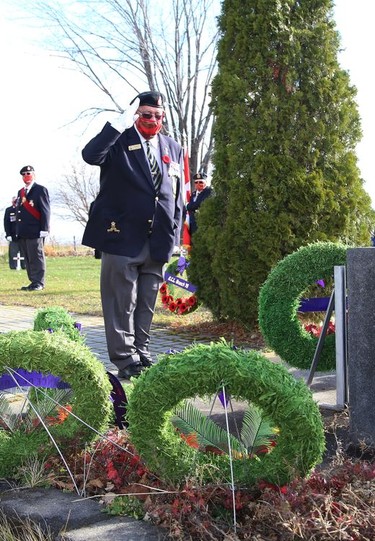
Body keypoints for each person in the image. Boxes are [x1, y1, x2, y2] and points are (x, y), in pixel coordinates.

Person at [82, 91, 184, 379]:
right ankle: (125, 359)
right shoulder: (119, 140)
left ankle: (142, 351)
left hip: (159, 237)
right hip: (122, 235)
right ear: (135, 114)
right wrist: (118, 125)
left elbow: (176, 195)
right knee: (121, 301)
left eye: (157, 115)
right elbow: (91, 155)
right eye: (145, 114)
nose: (152, 120)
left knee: (147, 301)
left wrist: (175, 234)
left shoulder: (173, 148)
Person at [16, 165, 50, 291]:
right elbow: (19, 212)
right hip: (24, 231)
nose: (26, 176)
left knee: (36, 256)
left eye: (29, 174)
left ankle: (39, 282)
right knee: (28, 258)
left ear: (34, 175)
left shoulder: (40, 190)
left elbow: (45, 210)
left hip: (35, 230)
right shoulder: (21, 192)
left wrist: (44, 228)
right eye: (24, 174)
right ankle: (33, 281)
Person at [3, 197, 26, 270]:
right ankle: (13, 266)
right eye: (15, 201)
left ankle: (24, 266)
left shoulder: (24, 210)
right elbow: (6, 223)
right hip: (13, 236)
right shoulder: (9, 210)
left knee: (24, 252)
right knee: (13, 252)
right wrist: (8, 234)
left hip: (23, 235)